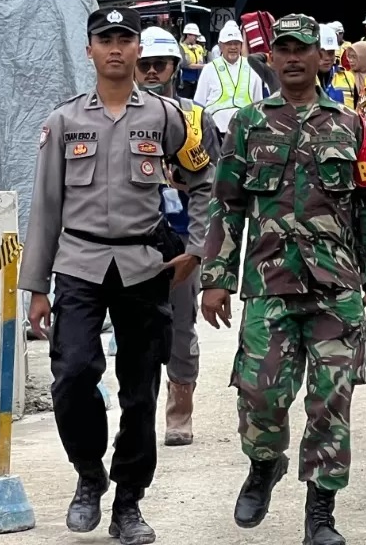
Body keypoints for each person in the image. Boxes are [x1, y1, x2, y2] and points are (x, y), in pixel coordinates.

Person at [21, 7, 213, 545]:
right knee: (74, 373)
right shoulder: (63, 122)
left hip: (143, 267)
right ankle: (88, 474)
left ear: (137, 50)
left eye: (124, 39)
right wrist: (37, 287)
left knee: (139, 390)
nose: (115, 48)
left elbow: (204, 182)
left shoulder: (167, 117)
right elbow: (45, 206)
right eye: (104, 39)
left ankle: (128, 502)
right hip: (79, 265)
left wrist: (196, 249)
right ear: (89, 50)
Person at [200, 14, 366, 544]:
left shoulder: (351, 125)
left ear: (320, 58)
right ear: (272, 57)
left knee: (331, 399)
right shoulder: (247, 123)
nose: (290, 58)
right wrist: (214, 277)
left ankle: (321, 513)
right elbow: (227, 205)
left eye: (301, 49)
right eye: (281, 49)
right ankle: (264, 463)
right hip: (269, 284)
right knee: (259, 394)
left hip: (336, 289)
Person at [135, 26, 223, 448]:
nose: (152, 73)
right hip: (131, 239)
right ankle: (138, 407)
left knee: (180, 325)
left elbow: (211, 185)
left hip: (180, 235)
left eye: (160, 64)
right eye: (145, 65)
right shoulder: (118, 117)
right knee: (136, 327)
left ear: (175, 67)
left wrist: (199, 246)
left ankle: (179, 407)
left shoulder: (194, 119)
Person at [195, 21, 265, 134]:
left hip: (245, 131)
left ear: (241, 45)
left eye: (236, 43)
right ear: (220, 46)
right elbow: (198, 104)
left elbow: (258, 103)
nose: (233, 47)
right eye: (229, 43)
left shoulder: (253, 68)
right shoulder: (209, 69)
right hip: (215, 131)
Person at [179, 23, 206, 97]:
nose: (196, 38)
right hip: (185, 82)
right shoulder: (181, 48)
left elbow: (202, 61)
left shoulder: (199, 48)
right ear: (188, 35)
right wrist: (203, 66)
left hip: (198, 81)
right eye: (195, 36)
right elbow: (184, 64)